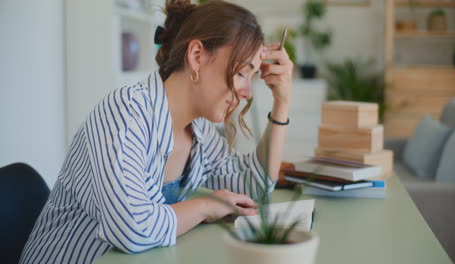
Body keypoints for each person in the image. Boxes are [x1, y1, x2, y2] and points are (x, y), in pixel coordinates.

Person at [20, 0, 293, 263]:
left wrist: (282, 102)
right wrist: (208, 205)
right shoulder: (124, 113)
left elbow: (254, 186)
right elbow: (132, 229)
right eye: (243, 73)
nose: (246, 92)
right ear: (197, 56)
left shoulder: (199, 130)